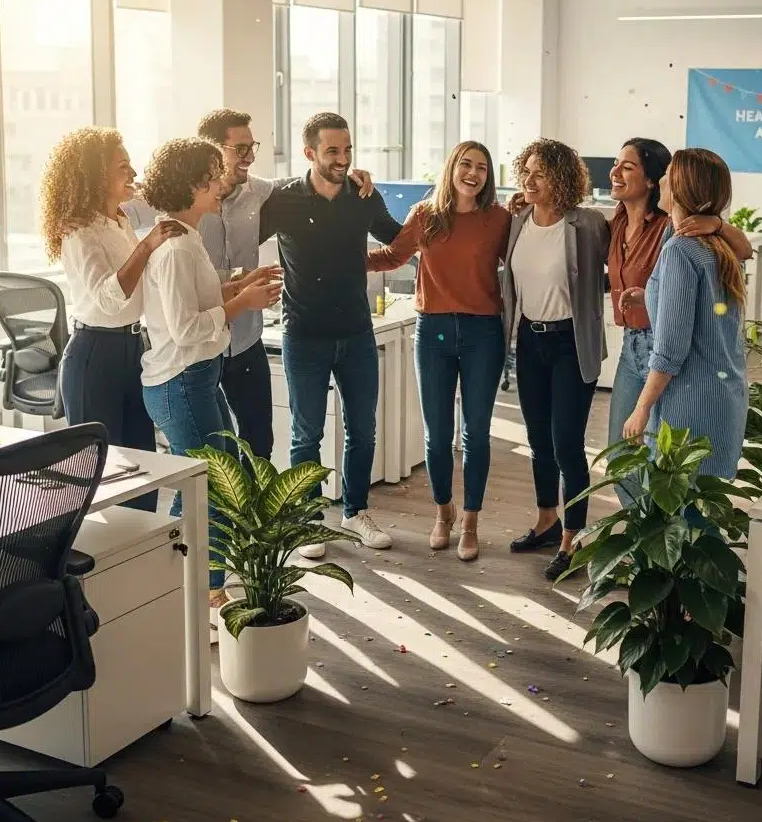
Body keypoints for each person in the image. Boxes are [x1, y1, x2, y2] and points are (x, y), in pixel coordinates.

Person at [123, 108, 377, 462]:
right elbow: (118, 212)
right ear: (211, 154)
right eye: (240, 149)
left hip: (240, 341)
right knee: (213, 469)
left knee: (253, 446)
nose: (250, 157)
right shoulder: (175, 233)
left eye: (252, 147)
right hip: (192, 358)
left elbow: (308, 180)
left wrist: (346, 174)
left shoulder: (255, 191)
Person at [138, 137, 281, 611]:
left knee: (212, 479)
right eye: (213, 177)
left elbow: (197, 302)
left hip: (197, 376)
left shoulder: (187, 237)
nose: (222, 184)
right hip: (181, 380)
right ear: (192, 184)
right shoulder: (177, 248)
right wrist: (242, 304)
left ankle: (183, 583)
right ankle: (207, 595)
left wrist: (239, 286)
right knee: (216, 487)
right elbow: (185, 329)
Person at [260, 112, 402, 558]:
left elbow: (398, 237)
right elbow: (239, 233)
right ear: (309, 153)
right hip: (304, 335)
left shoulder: (362, 196)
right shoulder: (283, 200)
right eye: (333, 151)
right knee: (306, 434)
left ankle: (355, 511)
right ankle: (307, 521)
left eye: (348, 150)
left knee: (363, 430)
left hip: (357, 333)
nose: (343, 159)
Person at [367, 142, 510, 562]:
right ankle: (443, 512)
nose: (473, 173)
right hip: (434, 332)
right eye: (466, 164)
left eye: (481, 167)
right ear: (451, 168)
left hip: (483, 332)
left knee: (476, 433)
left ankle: (471, 522)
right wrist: (339, 258)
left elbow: (522, 260)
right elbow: (393, 256)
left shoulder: (499, 219)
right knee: (437, 434)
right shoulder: (425, 215)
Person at [41, 126, 185, 512]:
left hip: (133, 348)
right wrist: (148, 245)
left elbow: (138, 284)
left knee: (142, 465)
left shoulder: (120, 220)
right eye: (123, 167)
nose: (133, 173)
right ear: (96, 175)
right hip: (95, 354)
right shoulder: (79, 231)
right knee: (94, 473)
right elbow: (108, 298)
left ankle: (143, 547)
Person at [608, 137, 753, 504]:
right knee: (703, 512)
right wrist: (650, 295)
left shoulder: (680, 249)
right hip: (721, 399)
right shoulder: (716, 247)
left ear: (681, 187)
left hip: (688, 405)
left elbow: (670, 350)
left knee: (677, 515)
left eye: (668, 174)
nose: (662, 179)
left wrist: (641, 408)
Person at [501, 139, 609, 581]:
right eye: (526, 171)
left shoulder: (587, 223)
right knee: (538, 441)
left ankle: (572, 538)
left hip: (570, 343)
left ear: (561, 178)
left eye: (540, 173)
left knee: (567, 443)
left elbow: (627, 254)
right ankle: (547, 521)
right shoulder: (517, 220)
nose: (529, 180)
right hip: (530, 340)